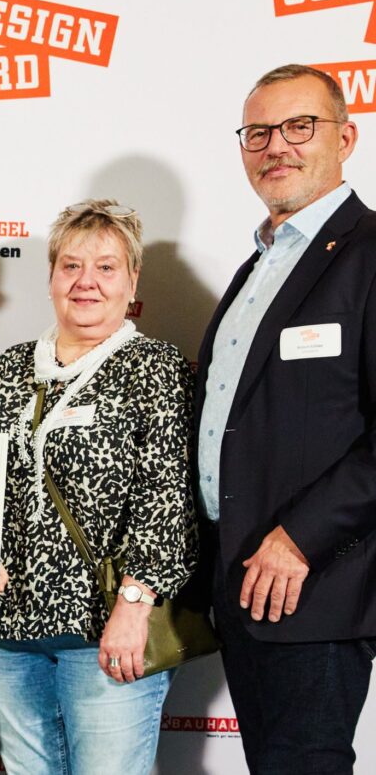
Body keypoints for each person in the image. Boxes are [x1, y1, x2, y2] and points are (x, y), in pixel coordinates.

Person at [0, 200, 196, 775]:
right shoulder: (10, 369)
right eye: (71, 266)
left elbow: (166, 496)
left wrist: (134, 606)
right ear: (51, 278)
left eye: (106, 267)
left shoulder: (155, 368)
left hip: (106, 625)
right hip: (9, 624)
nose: (86, 281)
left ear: (132, 282)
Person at [197, 64, 374, 774]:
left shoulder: (369, 255)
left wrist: (300, 540)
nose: (277, 146)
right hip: (243, 585)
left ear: (345, 139)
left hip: (315, 586)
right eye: (259, 132)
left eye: (300, 127)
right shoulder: (258, 267)